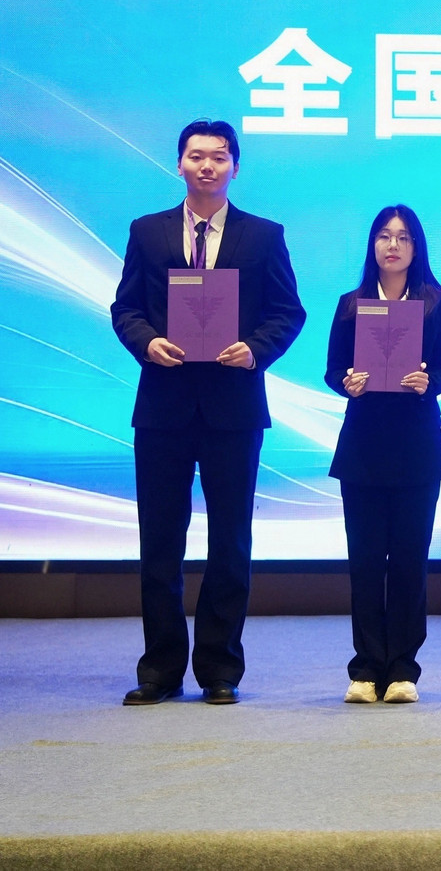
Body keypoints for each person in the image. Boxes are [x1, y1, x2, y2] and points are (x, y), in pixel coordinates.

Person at [110, 119, 306, 706]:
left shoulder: (263, 235)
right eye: (196, 156)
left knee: (230, 542)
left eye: (219, 157)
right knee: (160, 542)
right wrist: (147, 342)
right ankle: (160, 669)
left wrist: (256, 349)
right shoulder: (147, 232)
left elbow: (287, 311)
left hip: (233, 408)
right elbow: (125, 308)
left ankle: (220, 668)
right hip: (163, 406)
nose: (207, 166)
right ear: (179, 164)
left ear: (234, 167)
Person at [323, 205, 441, 705]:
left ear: (416, 247)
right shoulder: (350, 304)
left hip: (417, 447)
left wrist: (429, 381)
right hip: (363, 447)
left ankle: (403, 668)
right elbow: (332, 369)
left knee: (408, 561)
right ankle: (364, 669)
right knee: (364, 562)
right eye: (384, 236)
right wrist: (347, 383)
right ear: (373, 245)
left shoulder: (438, 304)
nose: (393, 245)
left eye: (403, 237)